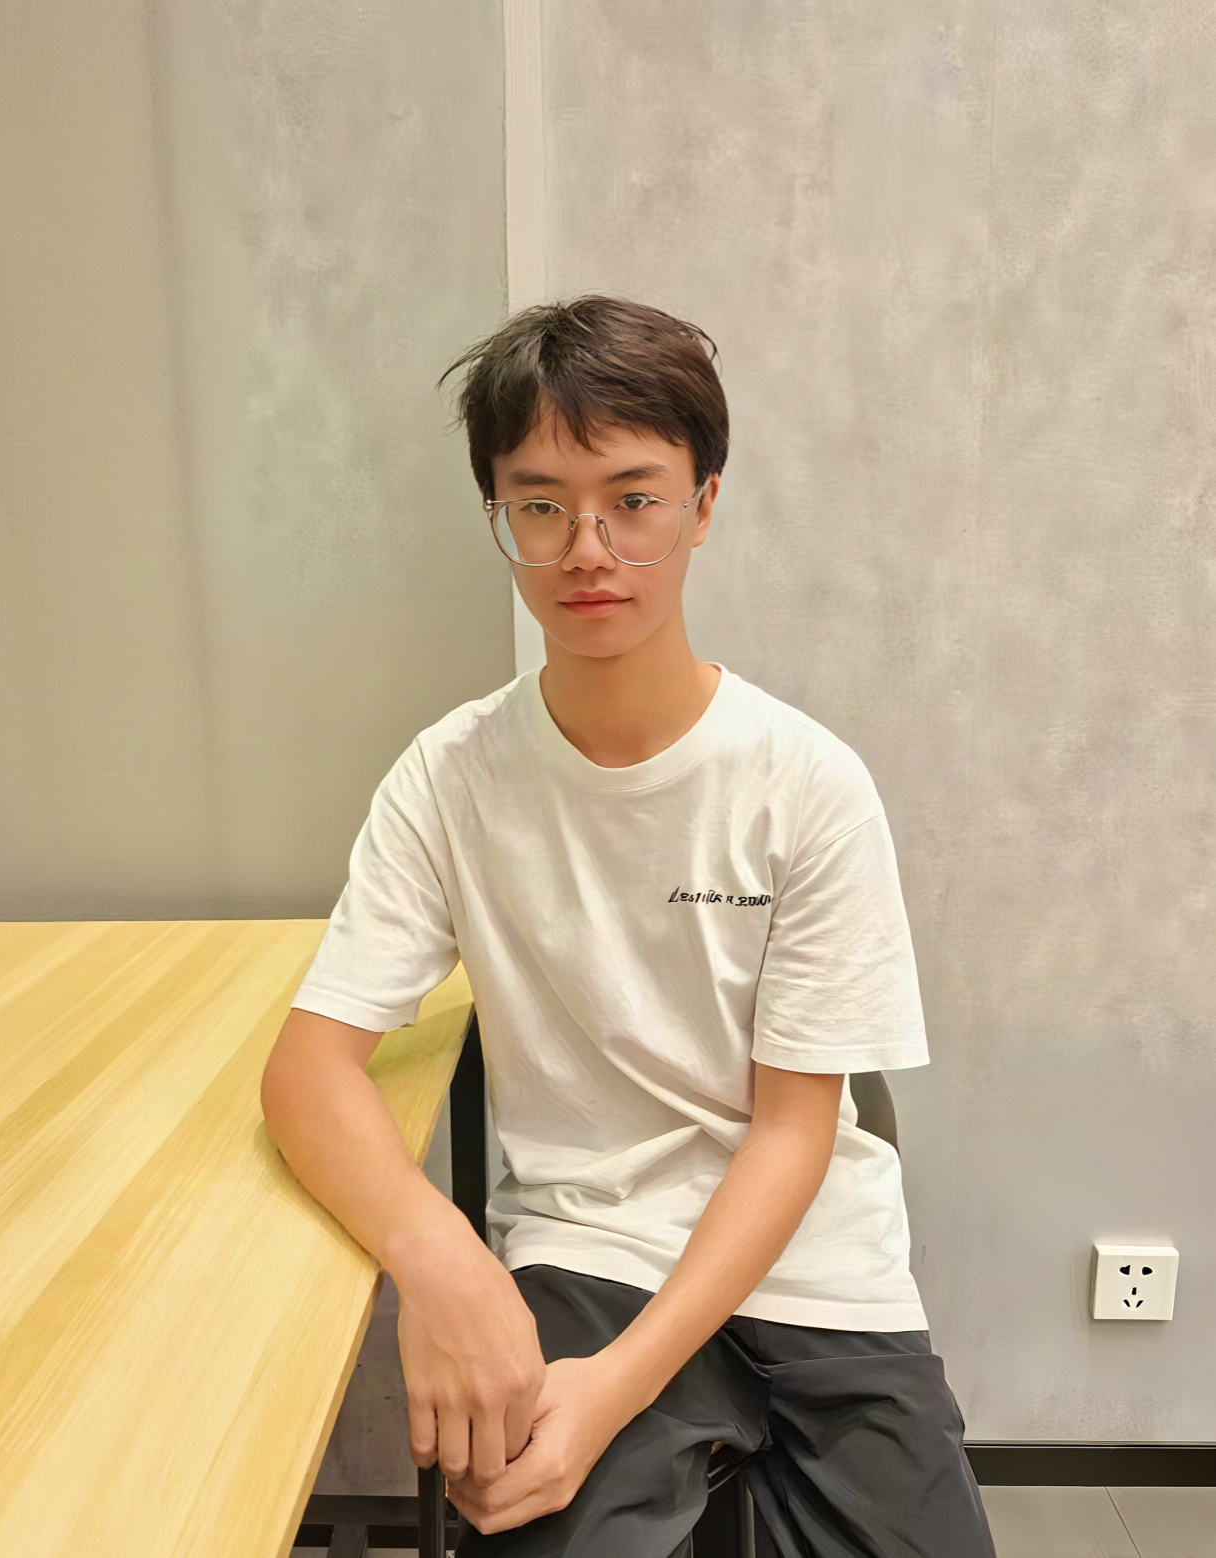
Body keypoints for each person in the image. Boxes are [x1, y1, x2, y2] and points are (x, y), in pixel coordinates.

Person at [261, 295, 996, 1557]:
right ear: (498, 514)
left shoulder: (806, 784)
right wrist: (439, 1254)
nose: (587, 548)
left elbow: (793, 1131)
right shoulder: (450, 777)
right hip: (588, 1249)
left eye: (634, 500)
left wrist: (620, 1386)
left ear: (703, 505)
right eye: (541, 505)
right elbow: (305, 1070)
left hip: (811, 1263)